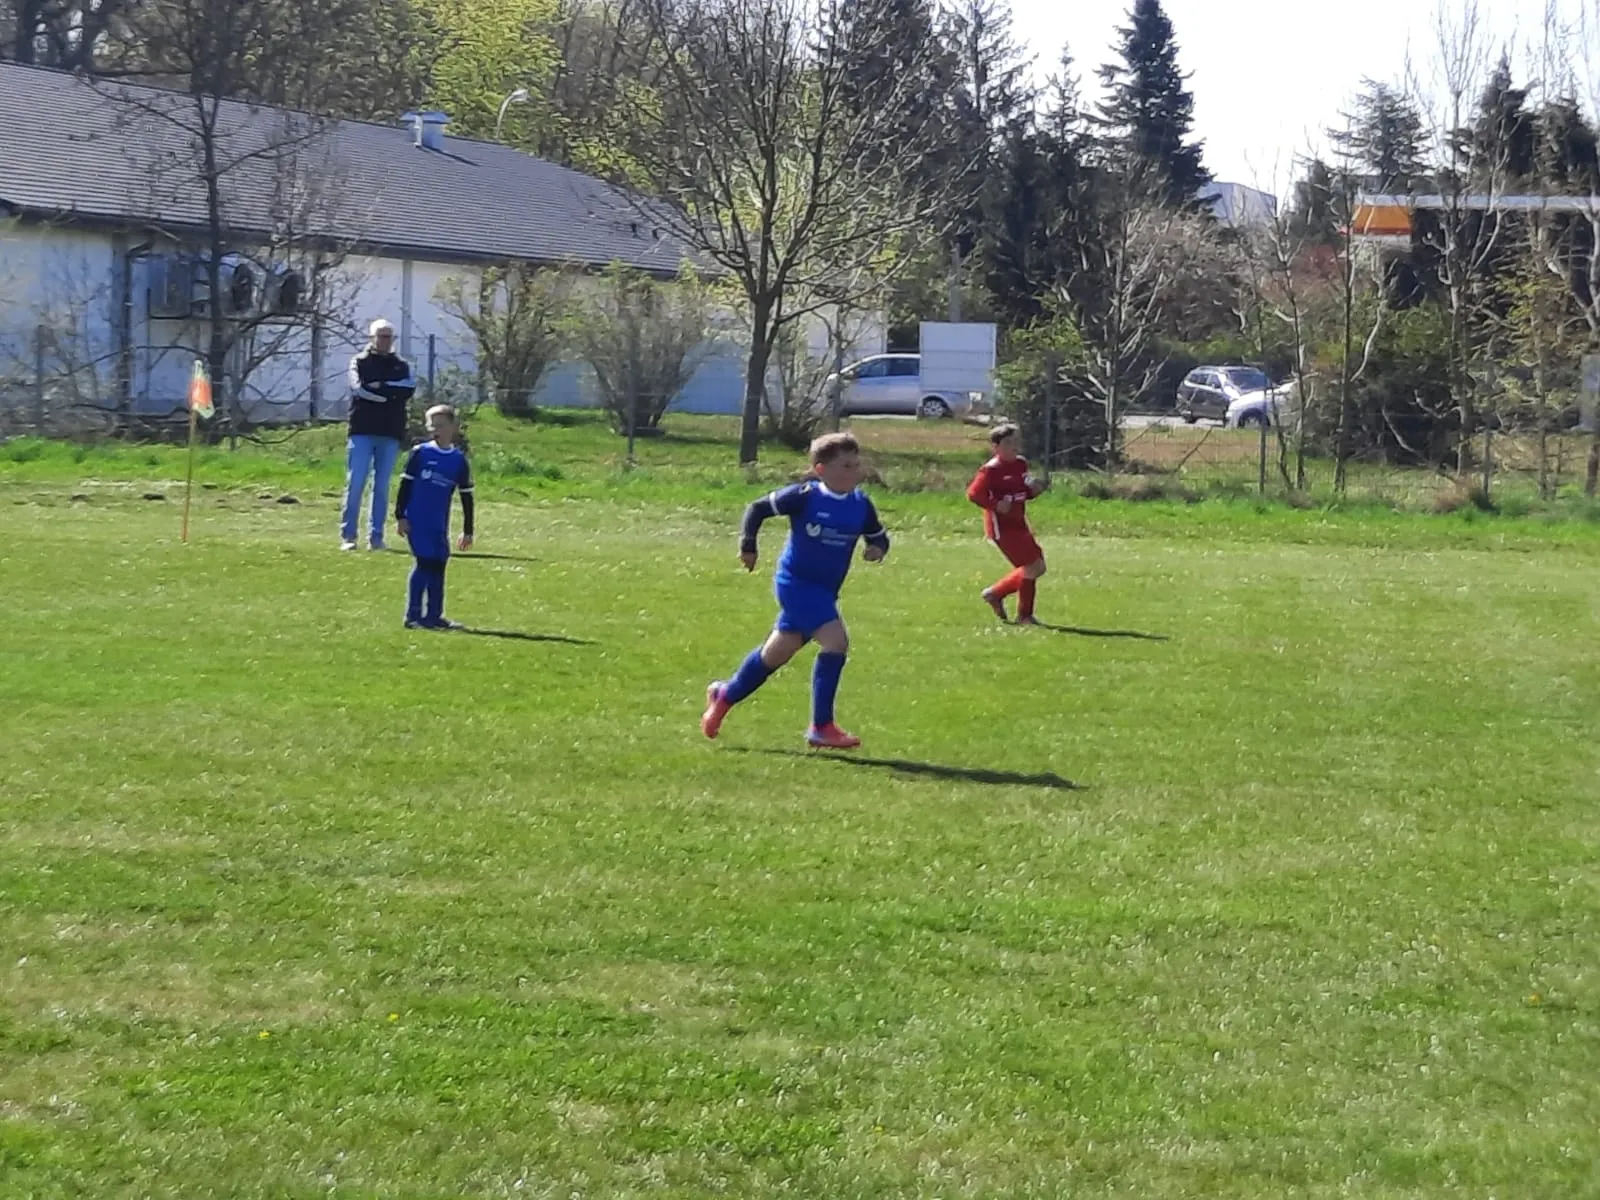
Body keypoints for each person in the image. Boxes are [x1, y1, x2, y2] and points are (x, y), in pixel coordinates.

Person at [700, 432, 889, 749]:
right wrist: (748, 546)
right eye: (846, 466)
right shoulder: (805, 496)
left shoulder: (861, 504)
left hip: (825, 591)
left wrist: (877, 549)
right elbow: (758, 508)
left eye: (856, 465)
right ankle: (821, 726)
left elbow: (878, 536)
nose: (854, 472)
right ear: (821, 470)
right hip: (796, 584)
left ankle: (724, 695)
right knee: (836, 642)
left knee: (775, 654)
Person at [395, 405, 475, 630]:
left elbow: (467, 497)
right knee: (424, 562)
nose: (434, 430)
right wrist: (400, 516)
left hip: (439, 523)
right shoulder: (420, 453)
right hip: (417, 519)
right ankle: (412, 616)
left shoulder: (458, 460)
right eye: (431, 425)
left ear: (453, 427)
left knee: (439, 563)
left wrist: (468, 530)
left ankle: (434, 616)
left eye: (440, 425)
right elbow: (405, 486)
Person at [341, 318, 415, 551]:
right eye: (381, 336)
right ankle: (349, 536)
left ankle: (376, 537)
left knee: (381, 486)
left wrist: (381, 387)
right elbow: (359, 389)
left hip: (390, 431)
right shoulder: (359, 362)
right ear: (372, 338)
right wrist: (388, 396)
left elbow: (408, 389)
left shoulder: (401, 365)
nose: (386, 341)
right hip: (362, 430)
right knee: (356, 482)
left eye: (389, 337)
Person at [967, 422, 1049, 625]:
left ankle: (996, 594)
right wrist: (995, 505)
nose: (1014, 446)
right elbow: (973, 494)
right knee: (1033, 566)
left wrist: (1034, 491)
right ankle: (1023, 615)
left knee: (1036, 566)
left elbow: (1022, 491)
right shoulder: (990, 470)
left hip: (1019, 523)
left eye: (1016, 442)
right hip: (1001, 528)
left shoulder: (1020, 464)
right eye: (1008, 443)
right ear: (996, 447)